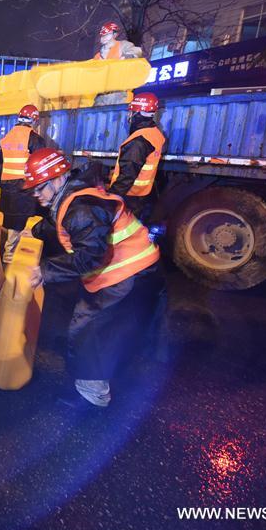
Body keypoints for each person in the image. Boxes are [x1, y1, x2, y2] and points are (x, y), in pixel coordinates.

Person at [22, 148, 164, 408]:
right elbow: (63, 222)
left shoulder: (81, 206)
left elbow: (89, 256)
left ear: (57, 179)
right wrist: (35, 230)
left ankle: (92, 395)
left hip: (126, 272)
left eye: (39, 188)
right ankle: (126, 367)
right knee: (119, 327)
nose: (36, 194)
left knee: (86, 329)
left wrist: (46, 270)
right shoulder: (74, 196)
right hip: (140, 268)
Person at [0, 104, 53, 262]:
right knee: (24, 222)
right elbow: (40, 164)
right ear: (34, 120)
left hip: (7, 186)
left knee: (11, 222)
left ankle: (8, 255)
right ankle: (19, 258)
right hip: (25, 187)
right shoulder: (35, 138)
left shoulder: (7, 137)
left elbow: (0, 163)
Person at [107, 92, 166, 223]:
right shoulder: (154, 133)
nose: (129, 115)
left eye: (131, 111)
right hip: (141, 194)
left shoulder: (138, 141)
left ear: (138, 113)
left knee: (120, 230)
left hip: (129, 196)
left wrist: (111, 198)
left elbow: (127, 175)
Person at [93, 22, 144, 106]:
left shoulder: (123, 45)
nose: (104, 37)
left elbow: (136, 51)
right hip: (101, 96)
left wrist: (127, 57)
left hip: (119, 93)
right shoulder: (98, 56)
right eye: (102, 36)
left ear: (114, 35)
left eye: (107, 34)